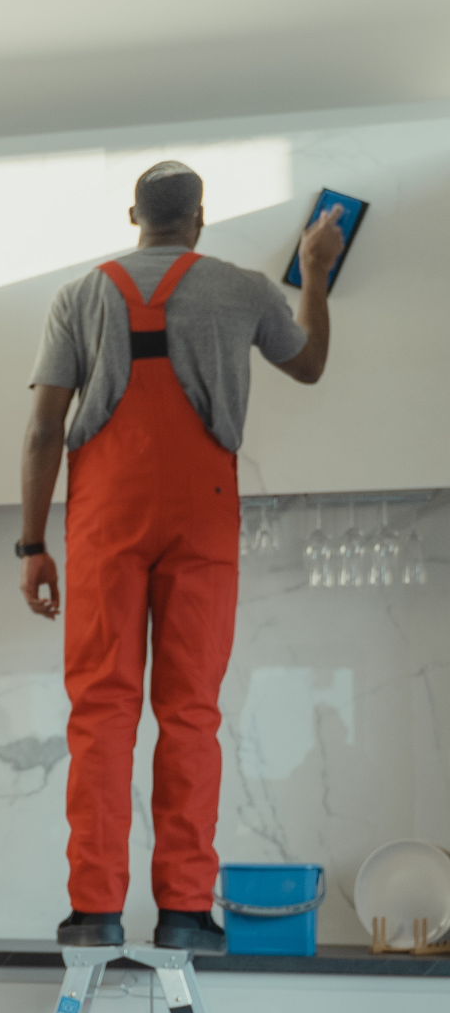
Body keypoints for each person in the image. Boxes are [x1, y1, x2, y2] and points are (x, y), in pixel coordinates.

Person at [17, 163, 347, 951]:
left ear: (133, 214)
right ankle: (186, 912)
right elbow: (309, 364)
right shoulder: (241, 289)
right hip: (202, 517)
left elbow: (40, 432)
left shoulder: (79, 296)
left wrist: (32, 544)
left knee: (101, 712)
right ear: (201, 217)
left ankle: (94, 910)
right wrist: (317, 273)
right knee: (190, 713)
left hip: (105, 517)